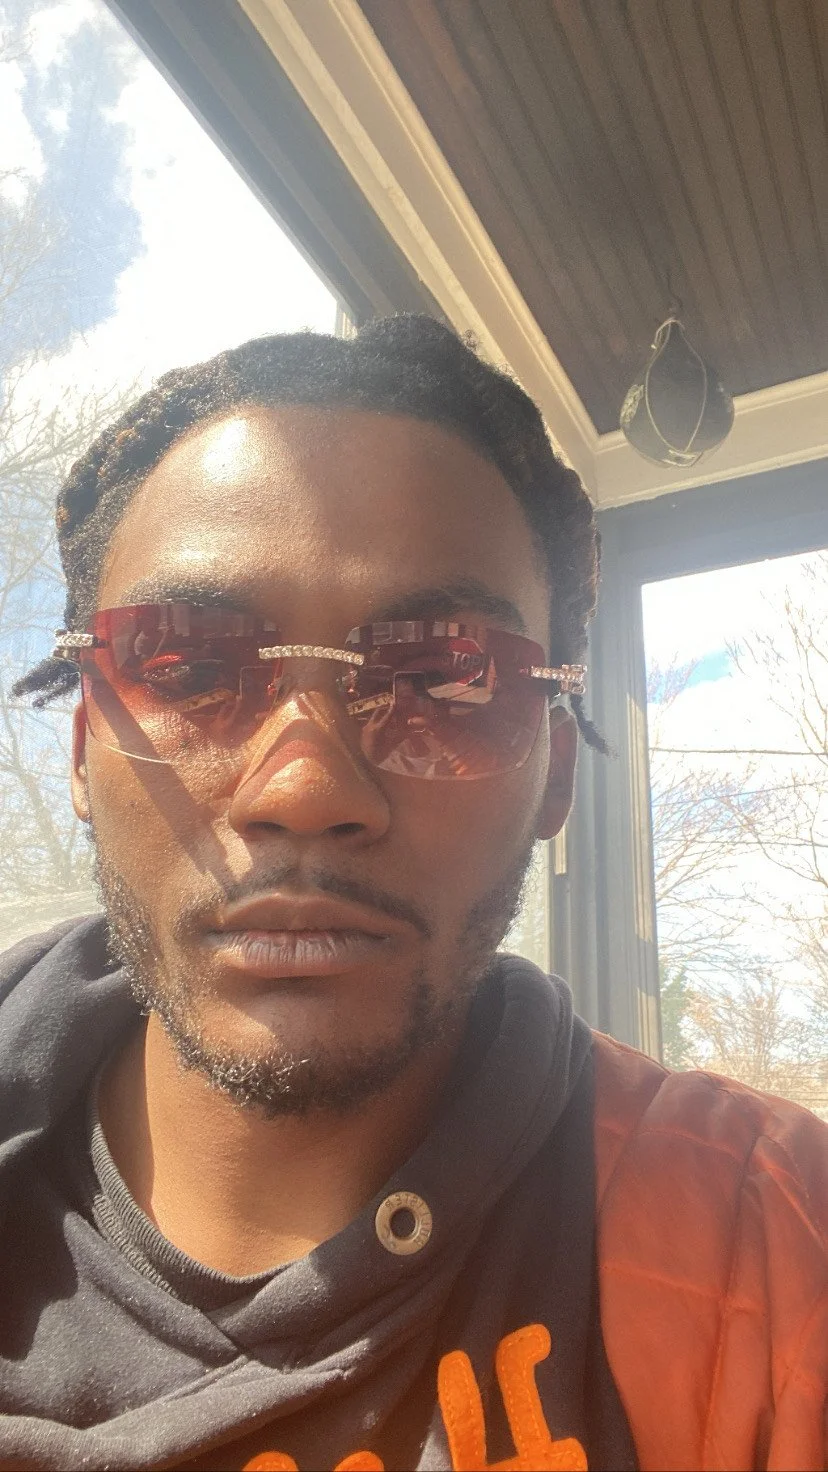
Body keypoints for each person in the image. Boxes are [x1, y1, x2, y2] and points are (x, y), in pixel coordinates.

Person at [3, 316, 826, 1472]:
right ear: (83, 749)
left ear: (555, 775)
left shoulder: (773, 1241)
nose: (304, 787)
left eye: (448, 680)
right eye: (187, 667)